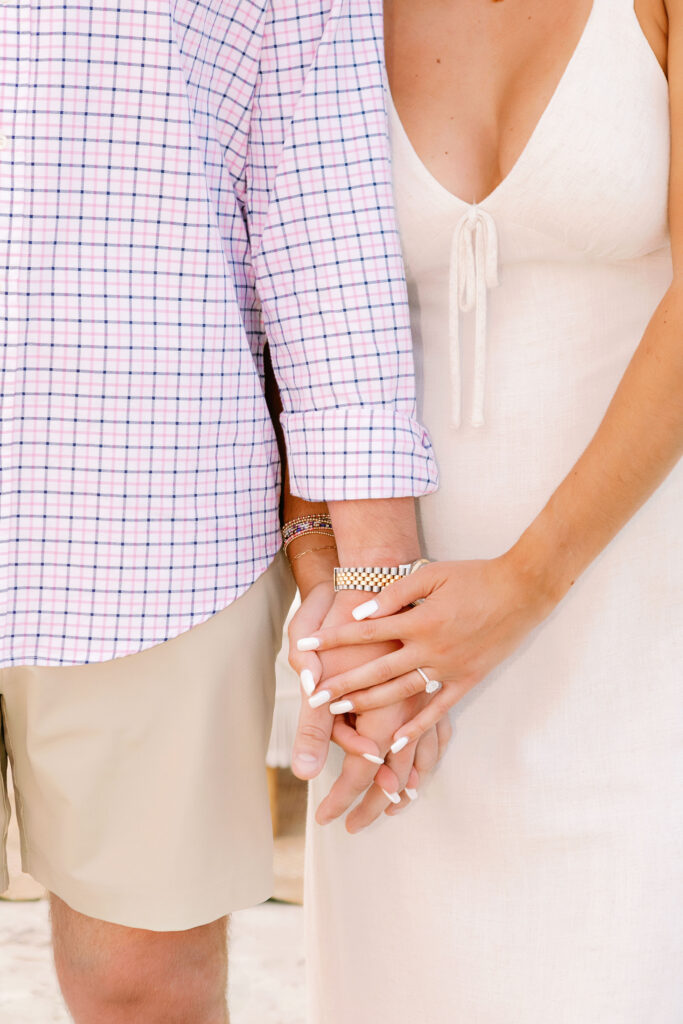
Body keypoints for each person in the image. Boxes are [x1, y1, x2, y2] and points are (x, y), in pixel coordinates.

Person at [0, 1, 439, 1020]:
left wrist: (376, 588)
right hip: (155, 509)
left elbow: (315, 195)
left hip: (152, 514)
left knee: (145, 993)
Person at [289, 0, 683, 1019]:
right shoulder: (323, 12)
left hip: (631, 644)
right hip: (395, 669)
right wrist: (333, 591)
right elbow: (284, 299)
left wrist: (524, 585)